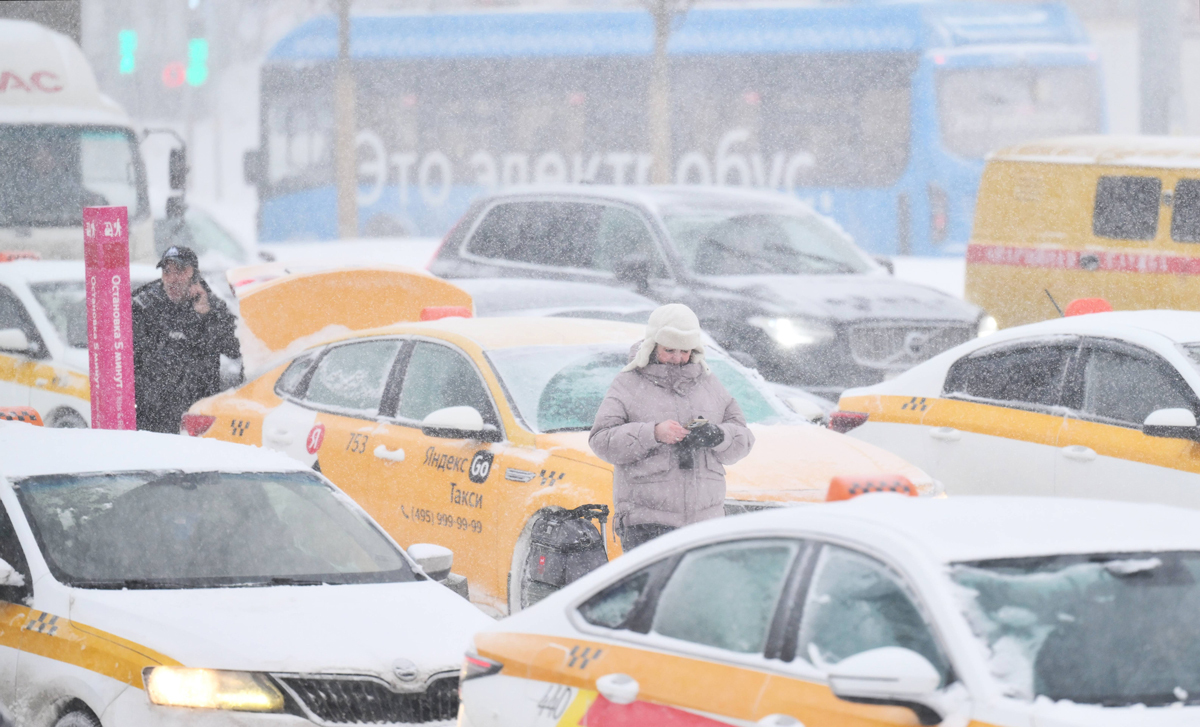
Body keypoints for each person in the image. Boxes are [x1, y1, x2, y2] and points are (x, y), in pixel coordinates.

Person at [589, 303, 755, 551]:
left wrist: (718, 436)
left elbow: (744, 439)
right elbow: (601, 441)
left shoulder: (709, 383)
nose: (678, 358)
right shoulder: (628, 383)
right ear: (652, 346)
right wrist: (653, 433)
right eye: (669, 350)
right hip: (648, 524)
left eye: (685, 351)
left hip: (705, 525)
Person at [132, 246, 240, 433]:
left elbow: (236, 348)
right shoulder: (143, 305)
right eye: (167, 271)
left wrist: (206, 315)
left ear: (194, 276)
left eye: (180, 271)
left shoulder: (211, 304)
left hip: (196, 420)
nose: (173, 279)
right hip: (152, 419)